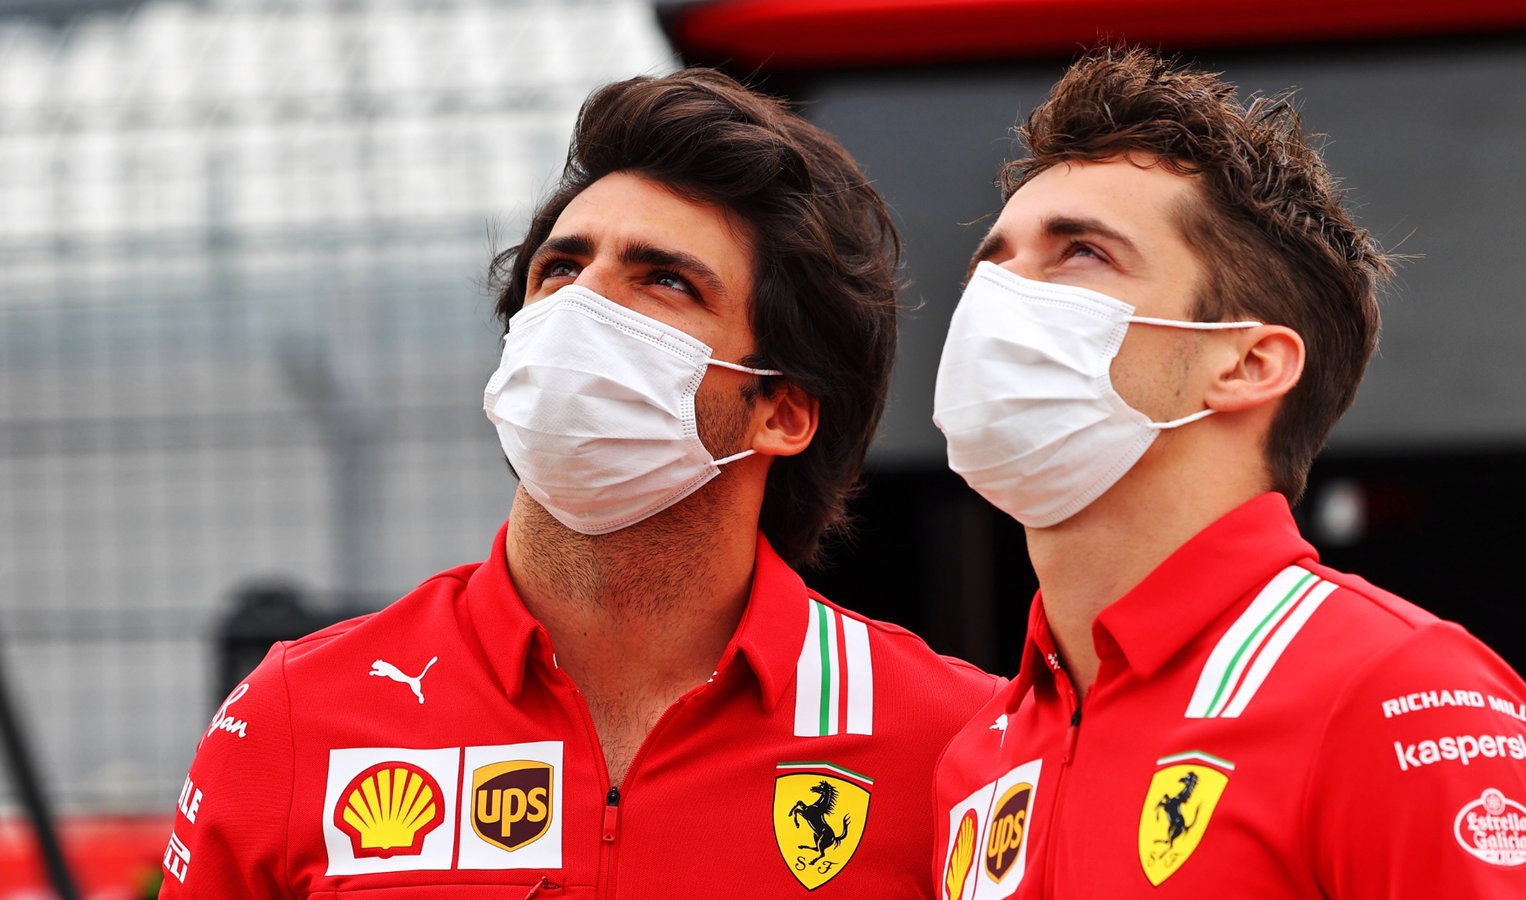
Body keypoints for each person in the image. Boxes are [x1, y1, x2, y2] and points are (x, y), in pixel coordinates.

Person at [158, 68, 1001, 899]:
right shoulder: (298, 716)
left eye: (664, 280)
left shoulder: (956, 742)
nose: (581, 306)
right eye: (560, 269)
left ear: (781, 409)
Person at [930, 47, 1526, 898]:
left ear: (1245, 364)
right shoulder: (982, 751)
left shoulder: (1401, 696)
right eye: (994, 260)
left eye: (1081, 254)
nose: (996, 297)